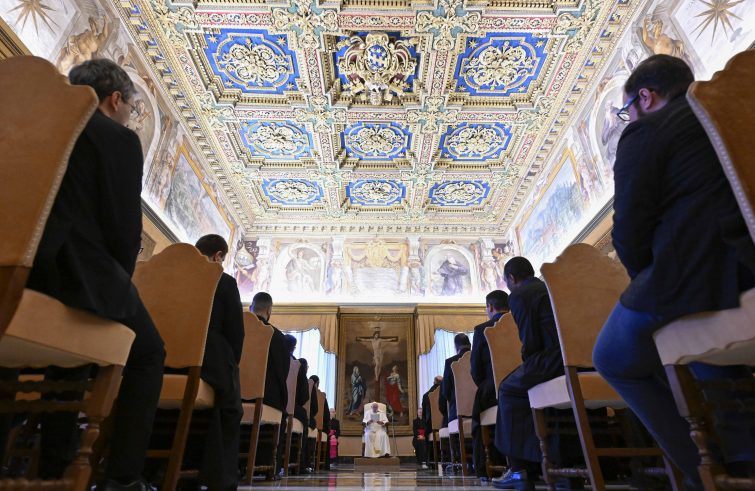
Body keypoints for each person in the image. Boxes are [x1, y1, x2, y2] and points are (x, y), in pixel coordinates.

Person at [593, 54, 755, 490]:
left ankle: (704, 471)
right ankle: (742, 453)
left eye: (627, 109)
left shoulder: (647, 130)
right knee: (693, 336)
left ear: (645, 97)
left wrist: (646, 276)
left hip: (701, 269)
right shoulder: (731, 107)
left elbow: (629, 232)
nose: (629, 118)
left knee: (611, 358)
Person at [16, 58, 166, 490]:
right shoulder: (115, 137)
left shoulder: (29, 122)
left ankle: (49, 465)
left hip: (19, 277)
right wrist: (119, 280)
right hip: (76, 271)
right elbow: (123, 232)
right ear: (115, 99)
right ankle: (122, 477)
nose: (128, 116)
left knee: (70, 353)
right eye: (130, 107)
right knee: (148, 352)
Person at [492, 257, 564, 490]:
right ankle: (562, 464)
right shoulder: (551, 287)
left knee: (506, 389)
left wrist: (526, 364)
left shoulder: (520, 295)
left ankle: (518, 470)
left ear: (511, 278)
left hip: (551, 360)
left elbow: (531, 342)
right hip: (579, 360)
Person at [192, 234, 244, 490]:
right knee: (230, 407)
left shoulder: (165, 275)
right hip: (209, 362)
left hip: (161, 362)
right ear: (217, 257)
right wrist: (232, 363)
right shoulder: (223, 282)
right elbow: (235, 334)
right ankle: (219, 477)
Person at [249, 292, 290, 474]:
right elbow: (283, 374)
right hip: (267, 397)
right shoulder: (278, 337)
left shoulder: (237, 327)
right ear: (269, 310)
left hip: (234, 394)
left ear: (251, 307)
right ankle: (267, 464)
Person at [471, 290, 509, 479]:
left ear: (490, 306)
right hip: (527, 387)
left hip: (493, 390)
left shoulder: (482, 329)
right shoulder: (519, 320)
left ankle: (486, 465)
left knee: (478, 414)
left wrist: (487, 384)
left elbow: (476, 370)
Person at [440, 333, 471, 426]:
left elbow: (445, 391)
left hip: (457, 412)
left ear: (456, 347)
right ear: (470, 344)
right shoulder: (478, 357)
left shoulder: (450, 362)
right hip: (481, 410)